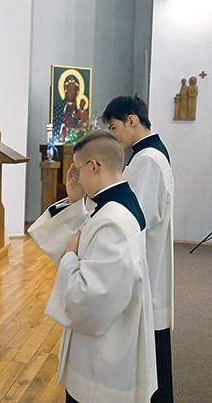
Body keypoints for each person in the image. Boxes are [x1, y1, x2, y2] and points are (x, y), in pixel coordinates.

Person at [28, 130, 158, 402]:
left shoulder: (112, 220)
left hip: (103, 365)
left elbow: (89, 300)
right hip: (111, 345)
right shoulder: (121, 202)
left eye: (77, 169)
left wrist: (69, 259)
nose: (74, 176)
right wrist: (76, 199)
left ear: (94, 166)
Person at [102, 95, 175, 402]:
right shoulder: (153, 152)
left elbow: (135, 219)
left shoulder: (146, 160)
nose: (114, 135)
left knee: (151, 360)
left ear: (132, 120)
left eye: (114, 127)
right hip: (152, 263)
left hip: (147, 269)